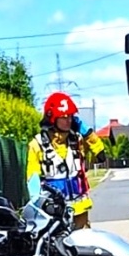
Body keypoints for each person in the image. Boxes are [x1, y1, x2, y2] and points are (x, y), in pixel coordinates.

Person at [27, 93, 104, 229]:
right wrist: (39, 203)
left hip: (79, 210)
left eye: (70, 116)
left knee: (84, 246)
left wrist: (83, 129)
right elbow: (32, 178)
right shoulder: (37, 145)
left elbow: (96, 148)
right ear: (52, 118)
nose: (68, 120)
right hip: (53, 213)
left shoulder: (77, 141)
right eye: (64, 117)